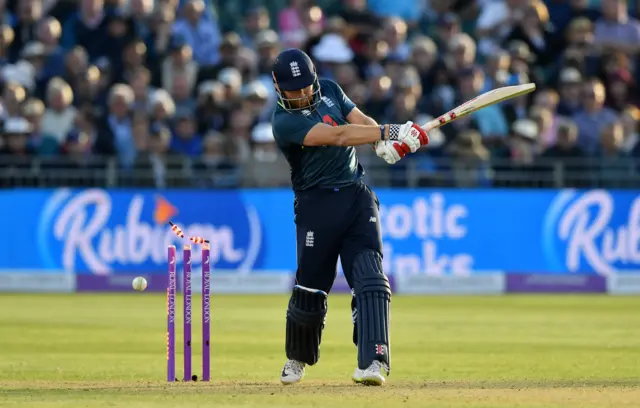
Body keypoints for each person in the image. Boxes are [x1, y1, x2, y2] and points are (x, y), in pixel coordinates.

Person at [271, 48, 430, 386]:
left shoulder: (328, 89)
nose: (300, 95)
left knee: (371, 278)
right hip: (316, 204)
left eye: (305, 86)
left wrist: (382, 143)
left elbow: (360, 123)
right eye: (292, 90)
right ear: (277, 87)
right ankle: (297, 358)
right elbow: (339, 136)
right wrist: (390, 131)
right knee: (311, 288)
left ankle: (374, 361)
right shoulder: (283, 122)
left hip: (356, 196)